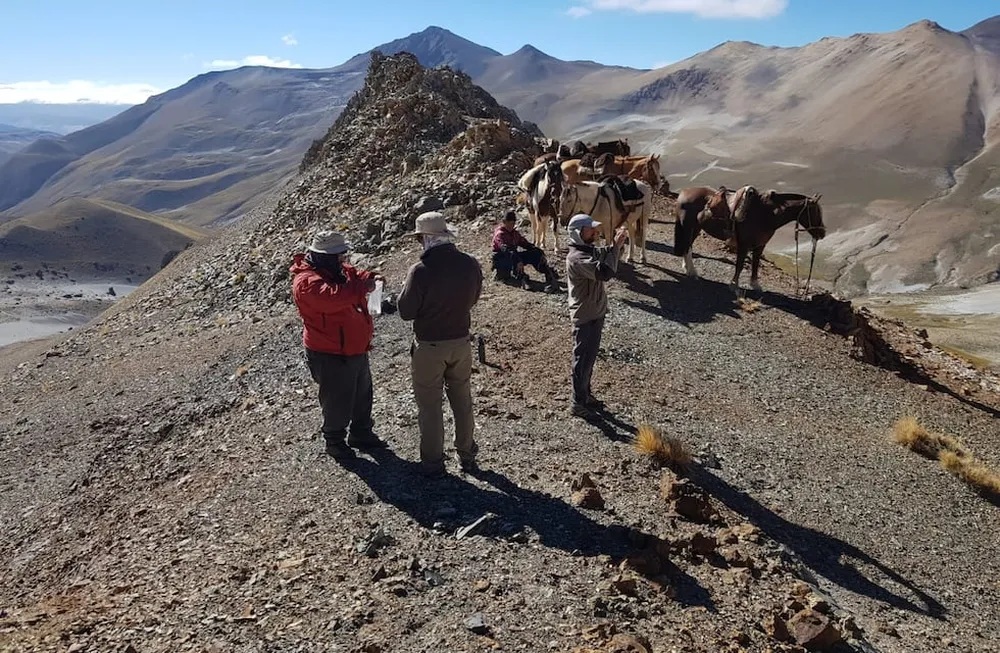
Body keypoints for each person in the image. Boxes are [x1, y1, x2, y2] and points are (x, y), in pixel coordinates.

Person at [397, 211, 483, 476]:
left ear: (425, 238)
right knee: (462, 399)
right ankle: (467, 454)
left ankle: (433, 462)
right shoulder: (470, 263)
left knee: (430, 405)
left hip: (430, 346)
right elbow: (474, 297)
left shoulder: (420, 271)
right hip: (461, 341)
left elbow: (406, 311)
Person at [290, 230, 387, 459]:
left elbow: (354, 275)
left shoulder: (336, 270)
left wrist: (371, 277)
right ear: (324, 257)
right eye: (339, 256)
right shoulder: (306, 282)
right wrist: (364, 288)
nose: (343, 260)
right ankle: (334, 441)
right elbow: (333, 299)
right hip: (329, 352)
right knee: (337, 400)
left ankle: (361, 433)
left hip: (353, 347)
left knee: (362, 394)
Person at [564, 214, 628, 421]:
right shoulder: (577, 258)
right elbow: (604, 272)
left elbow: (603, 254)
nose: (595, 232)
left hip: (595, 312)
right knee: (582, 359)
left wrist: (615, 246)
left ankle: (585, 394)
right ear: (578, 233)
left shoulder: (586, 251)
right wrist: (616, 246)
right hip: (585, 315)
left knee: (589, 359)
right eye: (590, 229)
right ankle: (577, 402)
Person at [491, 210, 559, 292]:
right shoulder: (500, 234)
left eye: (513, 223)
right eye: (509, 223)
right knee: (512, 258)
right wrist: (518, 261)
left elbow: (525, 244)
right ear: (504, 222)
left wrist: (538, 251)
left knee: (534, 253)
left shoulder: (514, 233)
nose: (511, 226)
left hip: (514, 255)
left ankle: (547, 271)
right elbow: (505, 249)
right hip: (502, 258)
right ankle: (522, 277)